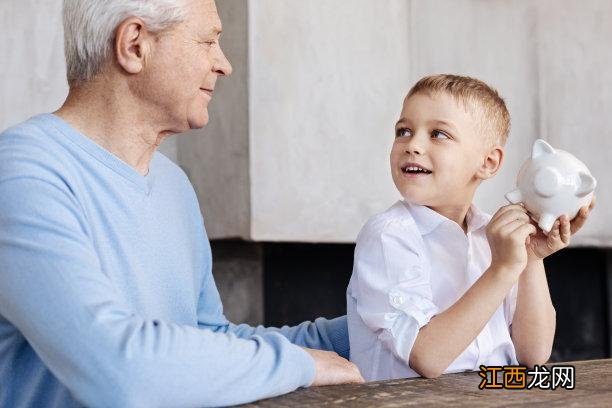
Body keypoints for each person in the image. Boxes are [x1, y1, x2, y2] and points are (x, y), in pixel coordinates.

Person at [0, 1, 363, 407]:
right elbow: (122, 370)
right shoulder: (20, 174)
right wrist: (302, 365)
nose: (224, 65)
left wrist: (373, 332)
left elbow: (209, 342)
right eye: (208, 41)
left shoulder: (173, 185)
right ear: (135, 45)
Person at [346, 74, 595, 381]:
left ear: (488, 163)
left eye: (438, 134)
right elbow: (428, 358)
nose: (413, 145)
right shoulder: (389, 236)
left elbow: (534, 354)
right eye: (404, 131)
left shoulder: (494, 234)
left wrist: (531, 258)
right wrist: (502, 270)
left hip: (494, 393)